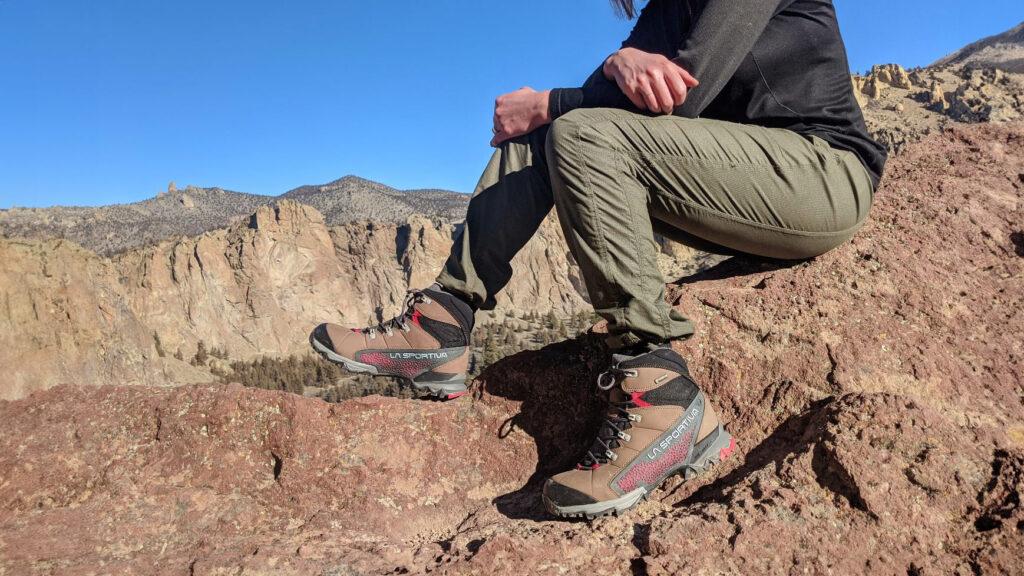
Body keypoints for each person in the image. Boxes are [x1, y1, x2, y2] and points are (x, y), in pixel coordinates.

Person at [311, 0, 886, 519]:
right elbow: (608, 101)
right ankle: (443, 321)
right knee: (542, 134)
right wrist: (615, 64)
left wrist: (569, 91)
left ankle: (661, 395)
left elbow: (686, 91)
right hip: (739, 189)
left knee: (571, 127)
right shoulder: (670, 5)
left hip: (822, 174)